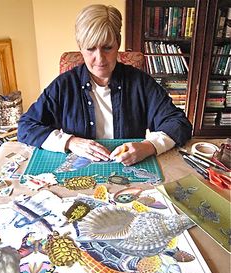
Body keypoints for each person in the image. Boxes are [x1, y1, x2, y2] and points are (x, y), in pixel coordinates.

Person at [18, 4, 192, 166]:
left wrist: (149, 146)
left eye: (107, 48)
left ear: (118, 43)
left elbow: (179, 124)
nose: (100, 59)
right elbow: (27, 127)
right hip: (79, 168)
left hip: (130, 167)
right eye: (90, 49)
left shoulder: (141, 83)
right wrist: (70, 142)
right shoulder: (63, 85)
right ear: (80, 47)